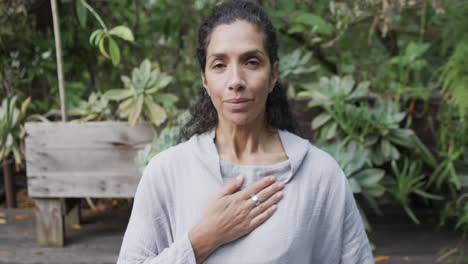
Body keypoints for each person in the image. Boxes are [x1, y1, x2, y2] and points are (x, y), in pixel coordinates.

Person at [117, 1, 374, 263]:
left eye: (251, 62)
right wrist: (202, 240)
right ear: (204, 79)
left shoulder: (320, 175)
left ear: (273, 74)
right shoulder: (167, 172)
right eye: (219, 65)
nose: (236, 81)